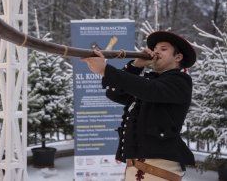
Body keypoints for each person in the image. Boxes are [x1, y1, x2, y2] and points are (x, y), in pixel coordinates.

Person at [81, 31, 196, 181]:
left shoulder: (180, 81)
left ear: (178, 57)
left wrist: (105, 69)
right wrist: (136, 66)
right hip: (136, 169)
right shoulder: (153, 82)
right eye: (155, 48)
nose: (156, 52)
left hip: (159, 169)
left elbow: (149, 89)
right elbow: (114, 93)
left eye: (163, 48)